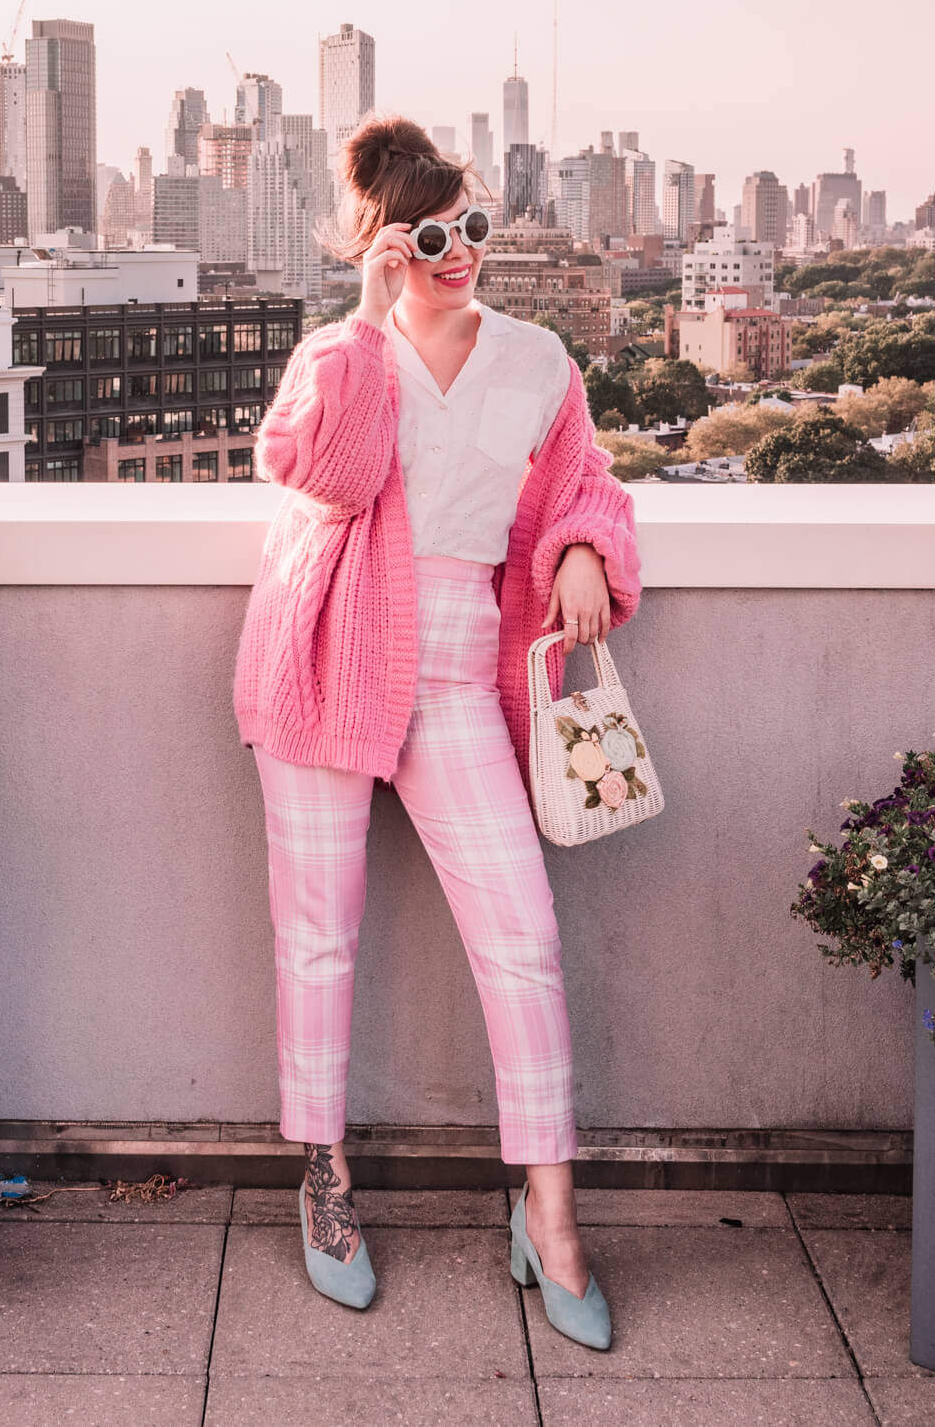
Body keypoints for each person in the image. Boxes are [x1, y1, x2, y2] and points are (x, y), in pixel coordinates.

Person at [232, 114, 642, 1348]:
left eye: (471, 223)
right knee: (317, 941)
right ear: (379, 243)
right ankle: (325, 1184)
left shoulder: (535, 360)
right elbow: (329, 478)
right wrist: (364, 323)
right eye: (428, 234)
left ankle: (550, 1215)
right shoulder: (334, 354)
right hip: (326, 656)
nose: (459, 250)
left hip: (460, 671)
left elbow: (586, 479)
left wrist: (579, 546)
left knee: (520, 939)